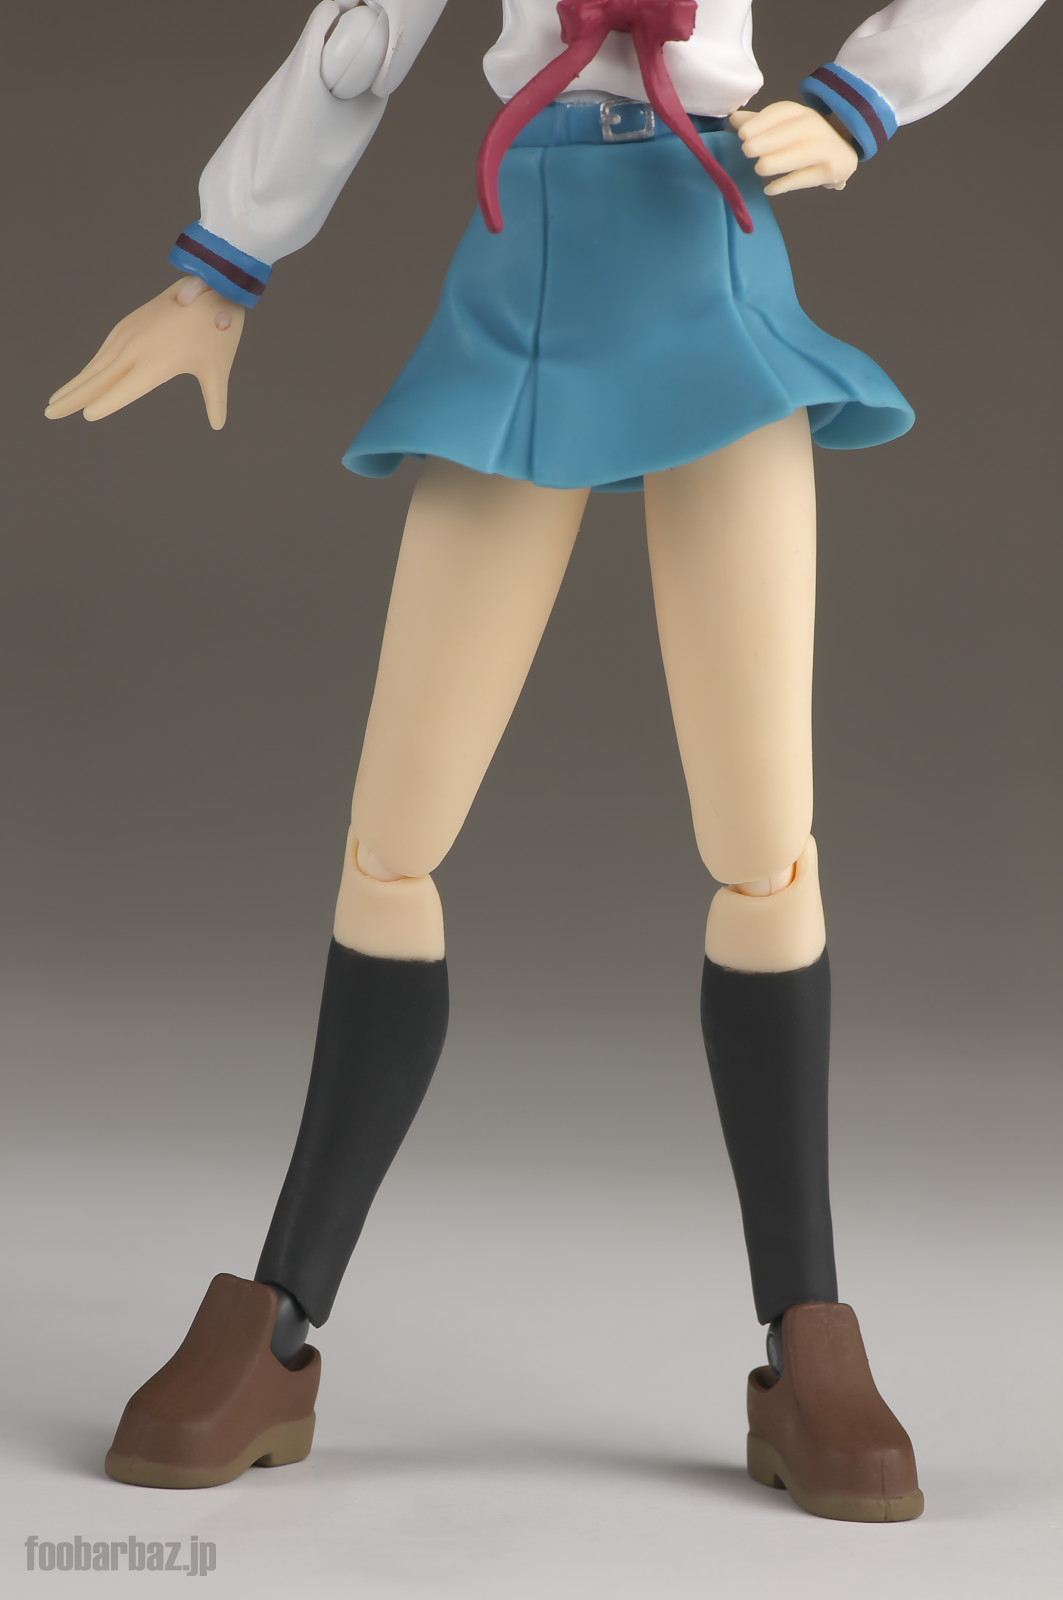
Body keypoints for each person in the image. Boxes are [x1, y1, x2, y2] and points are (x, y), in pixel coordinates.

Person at [45, 0, 1045, 1521]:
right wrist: (220, 265)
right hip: (521, 277)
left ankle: (808, 1335)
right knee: (392, 838)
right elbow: (361, 37)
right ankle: (278, 1321)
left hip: (709, 244)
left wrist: (866, 98)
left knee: (766, 846)